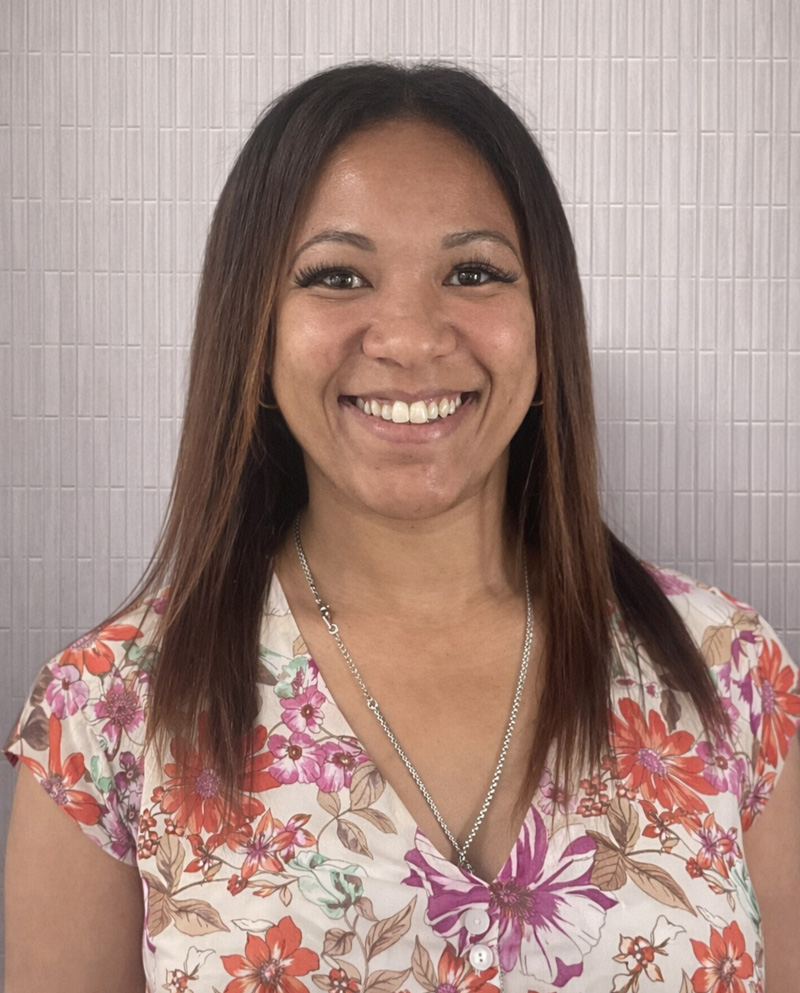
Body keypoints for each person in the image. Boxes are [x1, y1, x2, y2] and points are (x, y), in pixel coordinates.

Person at [4, 62, 799, 993]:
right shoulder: (104, 715)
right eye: (338, 276)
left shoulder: (730, 675)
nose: (413, 337)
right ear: (254, 327)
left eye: (475, 272)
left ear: (546, 317)